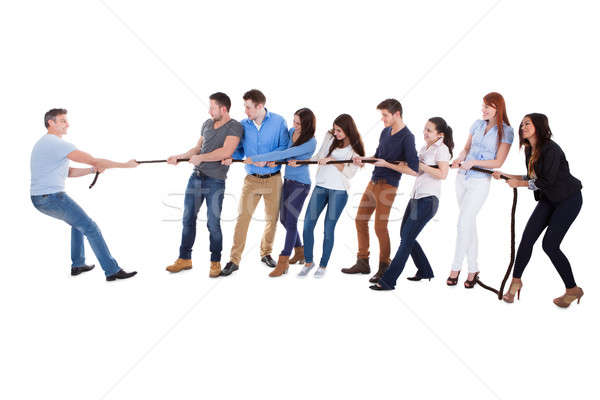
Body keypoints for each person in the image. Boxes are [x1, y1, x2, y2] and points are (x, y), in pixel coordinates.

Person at [30, 108, 138, 281]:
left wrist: (91, 170)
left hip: (42, 198)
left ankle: (78, 264)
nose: (68, 124)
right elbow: (93, 159)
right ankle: (112, 271)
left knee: (78, 223)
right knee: (91, 227)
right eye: (63, 120)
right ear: (51, 123)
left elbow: (69, 172)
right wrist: (126, 165)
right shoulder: (55, 143)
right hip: (51, 197)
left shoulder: (47, 144)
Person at [492, 113, 583, 307]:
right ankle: (516, 282)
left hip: (569, 199)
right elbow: (531, 176)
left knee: (550, 245)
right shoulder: (529, 149)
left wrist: (519, 183)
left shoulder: (551, 149)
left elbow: (546, 180)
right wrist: (507, 175)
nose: (523, 127)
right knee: (527, 239)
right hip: (549, 198)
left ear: (539, 127)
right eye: (522, 123)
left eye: (528, 123)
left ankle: (572, 289)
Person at [164, 93, 243, 277]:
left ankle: (215, 262)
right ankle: (184, 259)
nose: (209, 111)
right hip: (196, 177)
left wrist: (201, 158)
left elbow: (226, 151)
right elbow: (197, 148)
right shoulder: (207, 124)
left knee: (213, 223)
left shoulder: (235, 127)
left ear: (223, 109)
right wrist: (180, 156)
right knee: (187, 218)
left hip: (215, 180)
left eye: (212, 107)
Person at [370, 117, 453, 290]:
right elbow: (415, 171)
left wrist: (421, 165)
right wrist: (399, 164)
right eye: (424, 129)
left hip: (428, 199)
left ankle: (388, 281)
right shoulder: (425, 148)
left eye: (429, 130)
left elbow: (443, 174)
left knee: (406, 240)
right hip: (416, 197)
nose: (425, 132)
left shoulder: (442, 149)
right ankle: (424, 270)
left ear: (440, 135)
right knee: (405, 235)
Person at [342, 98, 419, 283]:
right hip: (374, 181)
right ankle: (363, 262)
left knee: (380, 226)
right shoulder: (385, 132)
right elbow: (378, 157)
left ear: (397, 114)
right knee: (360, 219)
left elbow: (414, 170)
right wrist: (363, 159)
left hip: (388, 185)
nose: (382, 119)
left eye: (385, 115)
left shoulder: (408, 137)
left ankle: (384, 266)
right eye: (382, 115)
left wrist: (387, 165)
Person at [447, 92, 514, 288]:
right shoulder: (477, 124)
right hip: (461, 178)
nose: (483, 110)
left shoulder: (506, 131)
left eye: (488, 106)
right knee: (468, 224)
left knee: (463, 223)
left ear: (498, 108)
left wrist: (474, 162)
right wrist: (460, 157)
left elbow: (498, 161)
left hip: (480, 181)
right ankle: (473, 269)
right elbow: (466, 148)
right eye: (483, 106)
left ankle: (455, 268)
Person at [220, 89, 289, 277]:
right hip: (251, 180)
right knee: (242, 219)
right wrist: (230, 157)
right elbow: (239, 150)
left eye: (248, 107)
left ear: (260, 106)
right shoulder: (244, 125)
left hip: (273, 179)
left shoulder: (278, 121)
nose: (245, 111)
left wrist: (265, 159)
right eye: (245, 106)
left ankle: (266, 253)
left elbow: (284, 147)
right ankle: (234, 260)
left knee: (271, 220)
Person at [245, 108, 317, 277]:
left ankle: (283, 262)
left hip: (300, 184)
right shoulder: (291, 132)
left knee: (290, 221)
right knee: (284, 220)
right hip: (288, 182)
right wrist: (274, 161)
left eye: (299, 123)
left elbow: (286, 153)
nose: (294, 125)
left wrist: (257, 158)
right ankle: (299, 251)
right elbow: (284, 157)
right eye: (294, 121)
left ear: (306, 124)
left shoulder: (311, 141)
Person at [298, 114, 365, 278]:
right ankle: (308, 262)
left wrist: (334, 161)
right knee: (307, 225)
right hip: (321, 186)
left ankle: (323, 265)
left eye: (339, 131)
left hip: (339, 191)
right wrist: (302, 161)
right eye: (334, 129)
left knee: (328, 229)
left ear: (348, 130)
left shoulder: (355, 148)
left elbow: (349, 173)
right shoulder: (330, 136)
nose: (335, 133)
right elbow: (319, 156)